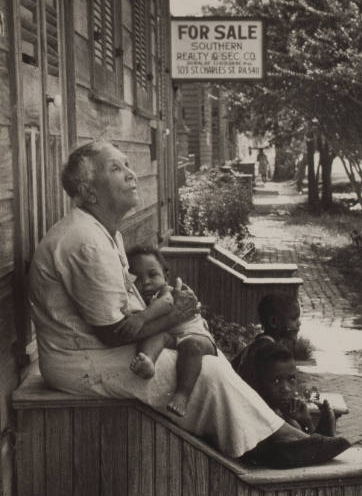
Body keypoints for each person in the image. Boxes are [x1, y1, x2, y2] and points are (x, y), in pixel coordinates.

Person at [29, 140, 345, 468]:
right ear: (89, 191)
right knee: (205, 372)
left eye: (127, 164)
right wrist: (175, 315)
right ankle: (277, 444)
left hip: (97, 348)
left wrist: (175, 319)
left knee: (203, 352)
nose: (131, 174)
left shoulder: (105, 233)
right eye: (115, 168)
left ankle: (276, 438)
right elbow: (113, 333)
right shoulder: (85, 242)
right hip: (80, 362)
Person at [126, 245, 216, 418]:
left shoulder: (167, 291)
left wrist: (142, 318)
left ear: (166, 277)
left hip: (196, 335)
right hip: (172, 337)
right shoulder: (139, 300)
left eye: (153, 275)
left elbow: (166, 303)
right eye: (137, 278)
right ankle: (148, 362)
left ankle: (182, 394)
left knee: (191, 347)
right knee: (155, 337)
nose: (145, 282)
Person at [252, 342, 348, 447]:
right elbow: (314, 449)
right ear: (259, 383)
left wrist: (305, 421)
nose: (286, 389)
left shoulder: (282, 414)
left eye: (291, 379)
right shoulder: (264, 419)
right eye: (276, 380)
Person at [232, 291, 301, 388]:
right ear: (274, 322)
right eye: (294, 319)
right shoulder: (269, 352)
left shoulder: (259, 344)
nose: (299, 324)